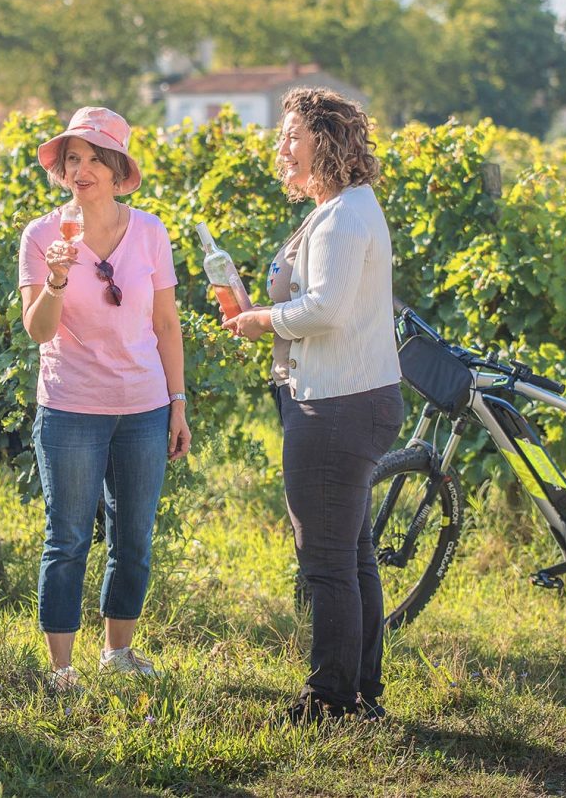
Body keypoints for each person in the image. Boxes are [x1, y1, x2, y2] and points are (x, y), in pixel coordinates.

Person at [222, 87, 403, 723]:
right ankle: (361, 692)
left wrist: (261, 320)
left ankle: (330, 702)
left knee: (326, 563)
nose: (283, 147)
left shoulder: (345, 215)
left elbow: (325, 309)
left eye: (292, 135)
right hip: (348, 397)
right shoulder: (342, 209)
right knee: (352, 556)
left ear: (324, 142)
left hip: (335, 405)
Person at [17, 106, 191, 694]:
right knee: (66, 538)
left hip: (143, 406)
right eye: (73, 159)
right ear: (62, 170)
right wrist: (59, 279)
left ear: (118, 171)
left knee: (133, 537)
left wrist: (178, 402)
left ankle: (118, 652)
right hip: (70, 407)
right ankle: (61, 669)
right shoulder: (43, 236)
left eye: (95, 158)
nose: (82, 168)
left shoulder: (150, 231)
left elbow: (167, 324)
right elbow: (38, 330)